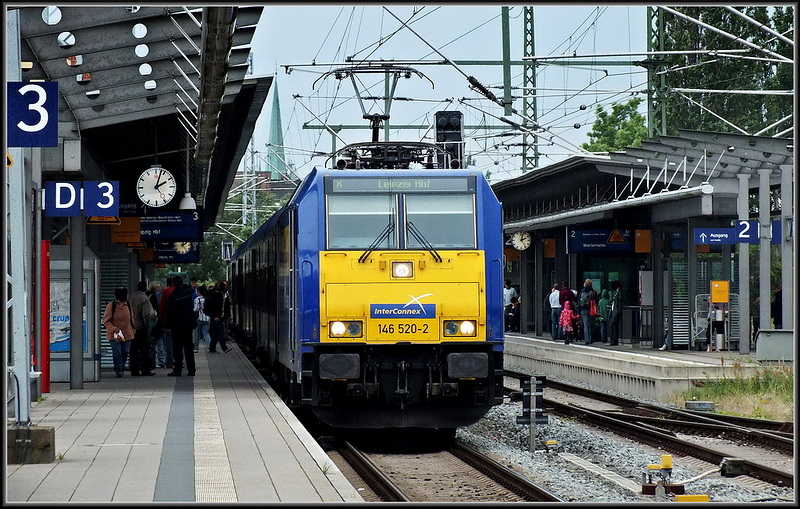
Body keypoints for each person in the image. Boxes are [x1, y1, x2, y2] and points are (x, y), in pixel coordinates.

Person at [166, 276, 197, 376]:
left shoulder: (173, 295)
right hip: (188, 325)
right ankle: (191, 369)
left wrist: (168, 325)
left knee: (177, 348)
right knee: (188, 348)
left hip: (177, 325)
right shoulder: (188, 291)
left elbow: (169, 311)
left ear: (174, 284)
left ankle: (178, 369)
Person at [103, 287, 136, 378]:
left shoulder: (128, 305)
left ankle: (121, 366)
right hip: (114, 333)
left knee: (125, 351)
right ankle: (118, 370)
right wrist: (113, 328)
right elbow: (106, 320)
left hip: (127, 333)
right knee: (117, 351)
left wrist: (133, 328)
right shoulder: (111, 306)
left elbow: (131, 318)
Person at [128, 281, 156, 376]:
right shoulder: (144, 299)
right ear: (145, 288)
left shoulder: (130, 297)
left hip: (131, 327)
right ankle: (145, 370)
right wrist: (148, 328)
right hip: (141, 327)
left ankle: (134, 370)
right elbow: (146, 315)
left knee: (133, 350)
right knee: (144, 350)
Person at [206, 280, 232, 354]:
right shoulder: (216, 295)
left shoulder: (225, 296)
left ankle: (212, 348)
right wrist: (214, 316)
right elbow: (212, 306)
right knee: (220, 331)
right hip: (216, 317)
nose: (227, 287)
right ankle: (224, 347)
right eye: (225, 286)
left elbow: (226, 307)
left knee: (215, 333)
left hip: (221, 316)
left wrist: (229, 316)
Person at [157, 277, 176, 369]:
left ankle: (170, 361)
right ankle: (179, 359)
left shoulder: (166, 292)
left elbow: (162, 306)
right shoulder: (181, 291)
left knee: (169, 341)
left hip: (168, 320)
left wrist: (162, 319)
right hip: (180, 321)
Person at [577, 279, 598, 345]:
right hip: (590, 309)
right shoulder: (592, 291)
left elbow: (579, 302)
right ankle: (592, 338)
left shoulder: (582, 291)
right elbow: (595, 300)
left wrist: (578, 312)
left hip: (583, 309)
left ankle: (587, 339)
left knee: (586, 325)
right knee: (591, 324)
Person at [194, 285, 211, 353]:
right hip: (206, 318)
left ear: (198, 292)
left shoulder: (197, 300)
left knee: (197, 334)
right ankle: (210, 346)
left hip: (199, 319)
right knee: (206, 333)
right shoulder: (206, 299)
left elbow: (196, 309)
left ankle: (196, 348)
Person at [608, 280, 623, 346]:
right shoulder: (616, 293)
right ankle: (612, 340)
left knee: (614, 327)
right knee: (613, 326)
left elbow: (619, 303)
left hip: (615, 311)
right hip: (613, 310)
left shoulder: (619, 293)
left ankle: (614, 341)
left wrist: (617, 311)